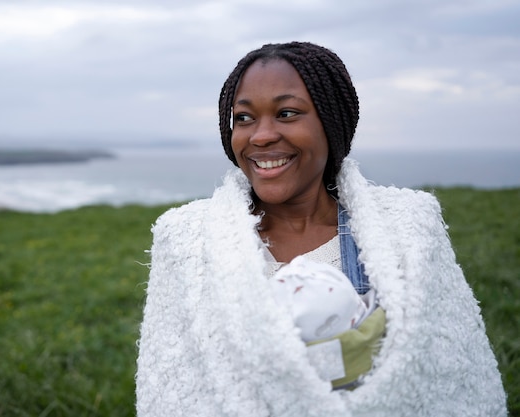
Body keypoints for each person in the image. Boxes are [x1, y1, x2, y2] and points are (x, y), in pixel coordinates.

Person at [136, 41, 507, 416]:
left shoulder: (410, 228)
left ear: (331, 123)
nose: (261, 135)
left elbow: (455, 377)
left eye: (286, 113)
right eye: (244, 118)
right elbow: (170, 388)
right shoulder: (184, 238)